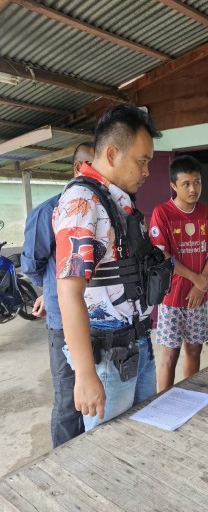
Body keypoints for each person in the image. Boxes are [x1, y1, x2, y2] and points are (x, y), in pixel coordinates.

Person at [54, 104, 161, 429]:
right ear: (112, 154)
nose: (147, 171)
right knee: (112, 450)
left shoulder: (116, 201)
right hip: (108, 356)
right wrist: (85, 374)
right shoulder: (82, 204)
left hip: (138, 344)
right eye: (142, 161)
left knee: (145, 435)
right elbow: (68, 292)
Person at [21, 141, 94, 447]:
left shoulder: (103, 209)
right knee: (68, 398)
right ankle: (62, 463)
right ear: (78, 168)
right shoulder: (48, 211)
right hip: (63, 321)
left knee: (95, 392)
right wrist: (49, 291)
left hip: (99, 319)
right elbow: (32, 264)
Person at [149, 155, 208, 391]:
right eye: (186, 184)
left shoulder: (207, 213)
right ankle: (164, 400)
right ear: (173, 185)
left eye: (197, 182)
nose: (193, 189)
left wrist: (201, 286)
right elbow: (163, 254)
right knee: (169, 356)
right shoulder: (162, 213)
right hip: (171, 297)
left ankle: (188, 396)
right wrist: (196, 279)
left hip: (197, 298)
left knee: (194, 350)